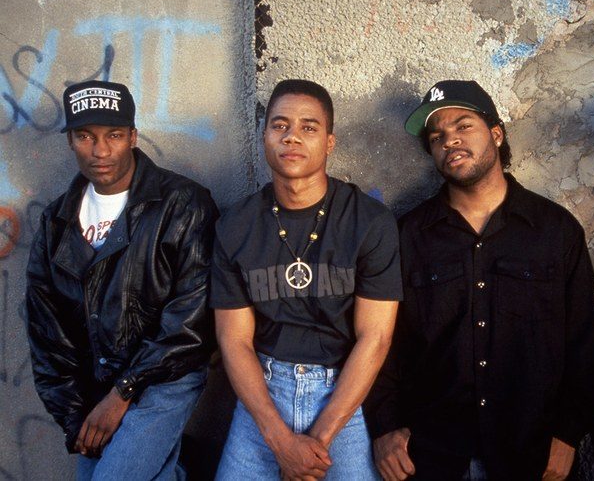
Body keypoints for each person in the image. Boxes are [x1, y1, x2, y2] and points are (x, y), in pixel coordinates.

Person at [365, 80, 594, 480]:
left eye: (463, 126)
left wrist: (568, 434)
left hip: (531, 453)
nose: (450, 140)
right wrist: (385, 427)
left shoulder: (555, 230)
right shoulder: (407, 235)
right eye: (437, 136)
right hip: (431, 454)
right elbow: (380, 340)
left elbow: (584, 344)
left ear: (496, 133)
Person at [25, 80, 218, 480]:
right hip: (98, 388)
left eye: (113, 135)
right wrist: (75, 417)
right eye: (85, 136)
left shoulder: (182, 204)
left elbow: (192, 320)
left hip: (166, 379)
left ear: (132, 136)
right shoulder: (56, 223)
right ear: (70, 141)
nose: (100, 151)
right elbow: (48, 333)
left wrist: (123, 391)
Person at [211, 79, 402, 480]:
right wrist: (281, 442)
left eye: (308, 127)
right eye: (279, 125)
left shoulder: (370, 222)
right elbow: (234, 340)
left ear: (329, 142)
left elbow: (375, 338)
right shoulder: (236, 225)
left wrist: (318, 443)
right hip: (263, 394)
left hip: (343, 394)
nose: (292, 137)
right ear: (264, 136)